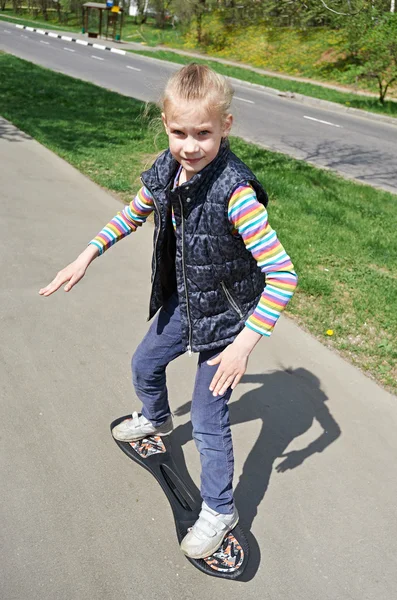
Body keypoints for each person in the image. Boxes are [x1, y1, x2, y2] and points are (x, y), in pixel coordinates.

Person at [39, 64, 298, 560]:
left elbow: (284, 274)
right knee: (144, 363)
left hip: (225, 319)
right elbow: (134, 212)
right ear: (165, 123)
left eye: (204, 133)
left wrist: (243, 346)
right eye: (180, 132)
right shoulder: (167, 167)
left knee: (207, 417)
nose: (191, 145)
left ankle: (220, 508)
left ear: (226, 125)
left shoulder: (236, 194)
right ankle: (156, 421)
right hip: (187, 300)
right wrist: (86, 255)